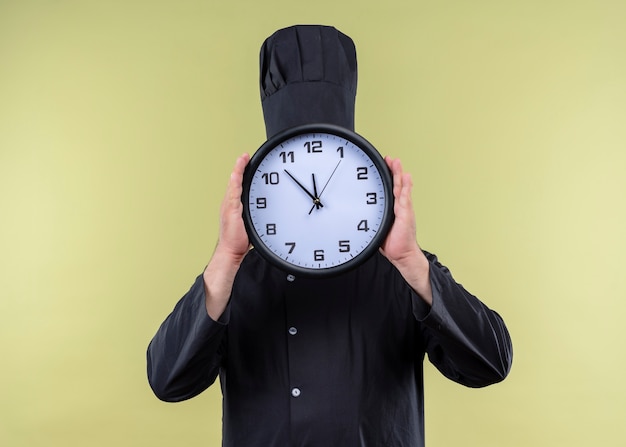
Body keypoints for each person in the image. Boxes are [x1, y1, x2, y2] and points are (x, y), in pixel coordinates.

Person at [147, 25, 513, 447]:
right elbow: (167, 381)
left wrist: (413, 261)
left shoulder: (403, 269)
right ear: (264, 185)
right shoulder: (234, 277)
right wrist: (226, 257)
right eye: (293, 181)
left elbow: (491, 364)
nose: (313, 200)